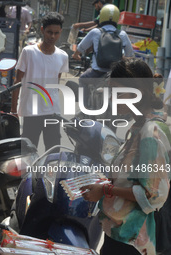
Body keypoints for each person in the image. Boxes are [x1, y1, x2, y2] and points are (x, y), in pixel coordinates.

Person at [80, 58, 171, 255]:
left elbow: (153, 194)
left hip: (133, 241)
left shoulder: (151, 132)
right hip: (120, 233)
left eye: (118, 92)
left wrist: (106, 190)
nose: (113, 98)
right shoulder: (138, 127)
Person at [10, 12, 69, 151]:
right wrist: (13, 110)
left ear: (60, 33)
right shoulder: (28, 52)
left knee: (54, 152)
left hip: (53, 112)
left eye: (56, 33)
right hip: (31, 112)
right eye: (49, 32)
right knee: (28, 152)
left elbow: (56, 83)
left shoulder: (63, 56)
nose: (52, 36)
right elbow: (17, 81)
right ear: (42, 30)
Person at [72, 4, 134, 108]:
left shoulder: (95, 32)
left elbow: (81, 47)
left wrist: (75, 55)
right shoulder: (122, 34)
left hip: (96, 72)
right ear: (117, 18)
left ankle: (84, 108)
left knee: (83, 79)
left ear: (102, 17)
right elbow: (130, 55)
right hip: (114, 74)